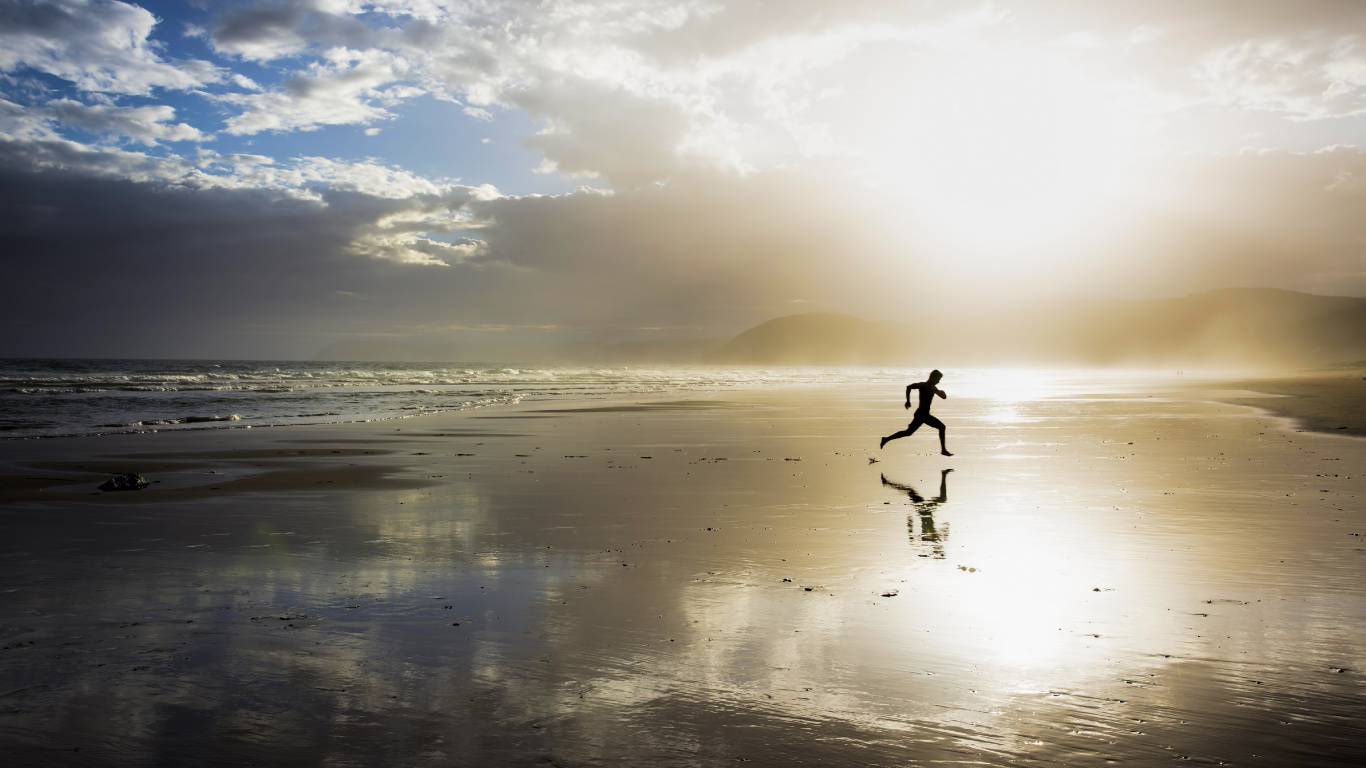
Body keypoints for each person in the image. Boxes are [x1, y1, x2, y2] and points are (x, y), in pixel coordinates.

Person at [880, 369, 952, 455]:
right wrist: (908, 401)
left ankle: (886, 439)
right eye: (938, 379)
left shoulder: (933, 388)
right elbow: (909, 387)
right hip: (922, 414)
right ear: (933, 377)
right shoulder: (923, 385)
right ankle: (943, 450)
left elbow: (943, 397)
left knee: (908, 432)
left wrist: (942, 392)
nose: (938, 381)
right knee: (942, 427)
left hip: (923, 414)